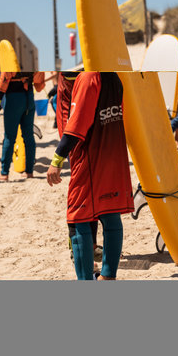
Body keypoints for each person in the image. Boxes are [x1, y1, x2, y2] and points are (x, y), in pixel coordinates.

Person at [47, 71, 134, 280]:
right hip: (114, 155)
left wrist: (57, 160)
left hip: (90, 159)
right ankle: (107, 276)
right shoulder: (114, 77)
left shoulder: (87, 79)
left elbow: (76, 127)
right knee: (110, 215)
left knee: (78, 220)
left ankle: (85, 280)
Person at [56, 71, 103, 264]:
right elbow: (71, 73)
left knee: (92, 186)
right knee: (81, 188)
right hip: (73, 128)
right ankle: (76, 246)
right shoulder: (72, 70)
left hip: (84, 124)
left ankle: (90, 245)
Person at [0, 71, 45, 181]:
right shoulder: (30, 61)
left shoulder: (12, 60)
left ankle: (4, 173)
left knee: (9, 137)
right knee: (29, 136)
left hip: (13, 99)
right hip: (29, 98)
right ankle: (29, 172)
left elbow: (2, 83)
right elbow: (39, 86)